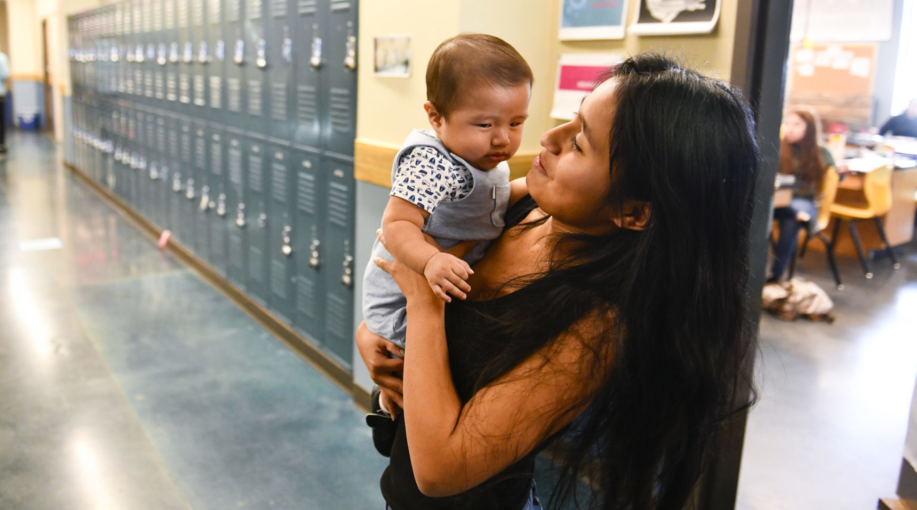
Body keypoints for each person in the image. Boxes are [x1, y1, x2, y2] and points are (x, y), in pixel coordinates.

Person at [357, 53, 759, 510]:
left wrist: (423, 303)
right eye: (573, 119)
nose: (547, 139)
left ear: (634, 211)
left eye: (580, 144)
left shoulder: (597, 326)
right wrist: (372, 339)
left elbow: (441, 470)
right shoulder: (517, 211)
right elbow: (398, 278)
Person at [362, 34, 532, 433]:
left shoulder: (480, 155)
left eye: (516, 123)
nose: (502, 138)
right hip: (403, 300)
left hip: (440, 288)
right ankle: (394, 412)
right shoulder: (434, 162)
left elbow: (496, 200)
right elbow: (397, 225)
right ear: (436, 117)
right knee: (413, 373)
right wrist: (432, 259)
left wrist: (535, 186)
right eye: (485, 124)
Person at [768, 109, 835, 283]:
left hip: (804, 201)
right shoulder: (776, 147)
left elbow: (833, 176)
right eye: (788, 123)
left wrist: (839, 172)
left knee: (792, 218)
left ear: (810, 128)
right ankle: (771, 273)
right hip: (777, 201)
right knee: (773, 211)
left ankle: (776, 275)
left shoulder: (821, 153)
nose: (790, 129)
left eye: (797, 124)